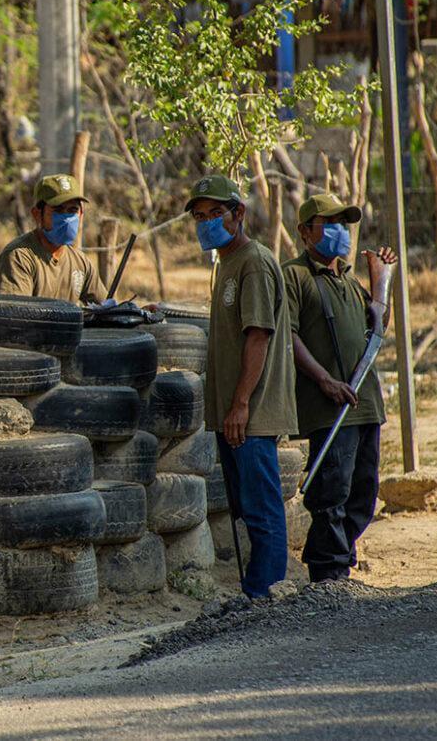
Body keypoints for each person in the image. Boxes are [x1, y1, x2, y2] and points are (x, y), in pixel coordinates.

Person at [188, 174, 298, 599]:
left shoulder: (253, 261)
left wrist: (240, 405)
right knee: (247, 509)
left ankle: (267, 596)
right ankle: (257, 592)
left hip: (250, 414)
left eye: (216, 214)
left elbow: (259, 335)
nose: (207, 223)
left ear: (239, 214)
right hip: (235, 414)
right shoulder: (226, 263)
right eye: (200, 216)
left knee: (261, 510)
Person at [283, 193, 396, 583]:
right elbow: (289, 336)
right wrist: (323, 380)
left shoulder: (348, 279)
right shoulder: (294, 276)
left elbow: (377, 330)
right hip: (329, 407)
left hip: (365, 404)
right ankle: (328, 574)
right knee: (330, 492)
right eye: (328, 224)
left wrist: (380, 282)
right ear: (304, 231)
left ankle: (340, 562)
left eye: (342, 224)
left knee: (363, 493)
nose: (338, 232)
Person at [0, 174, 107, 304]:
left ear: (80, 214)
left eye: (72, 210)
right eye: (58, 210)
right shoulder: (20, 257)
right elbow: (15, 315)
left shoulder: (81, 263)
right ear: (37, 214)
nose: (67, 218)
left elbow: (106, 308)